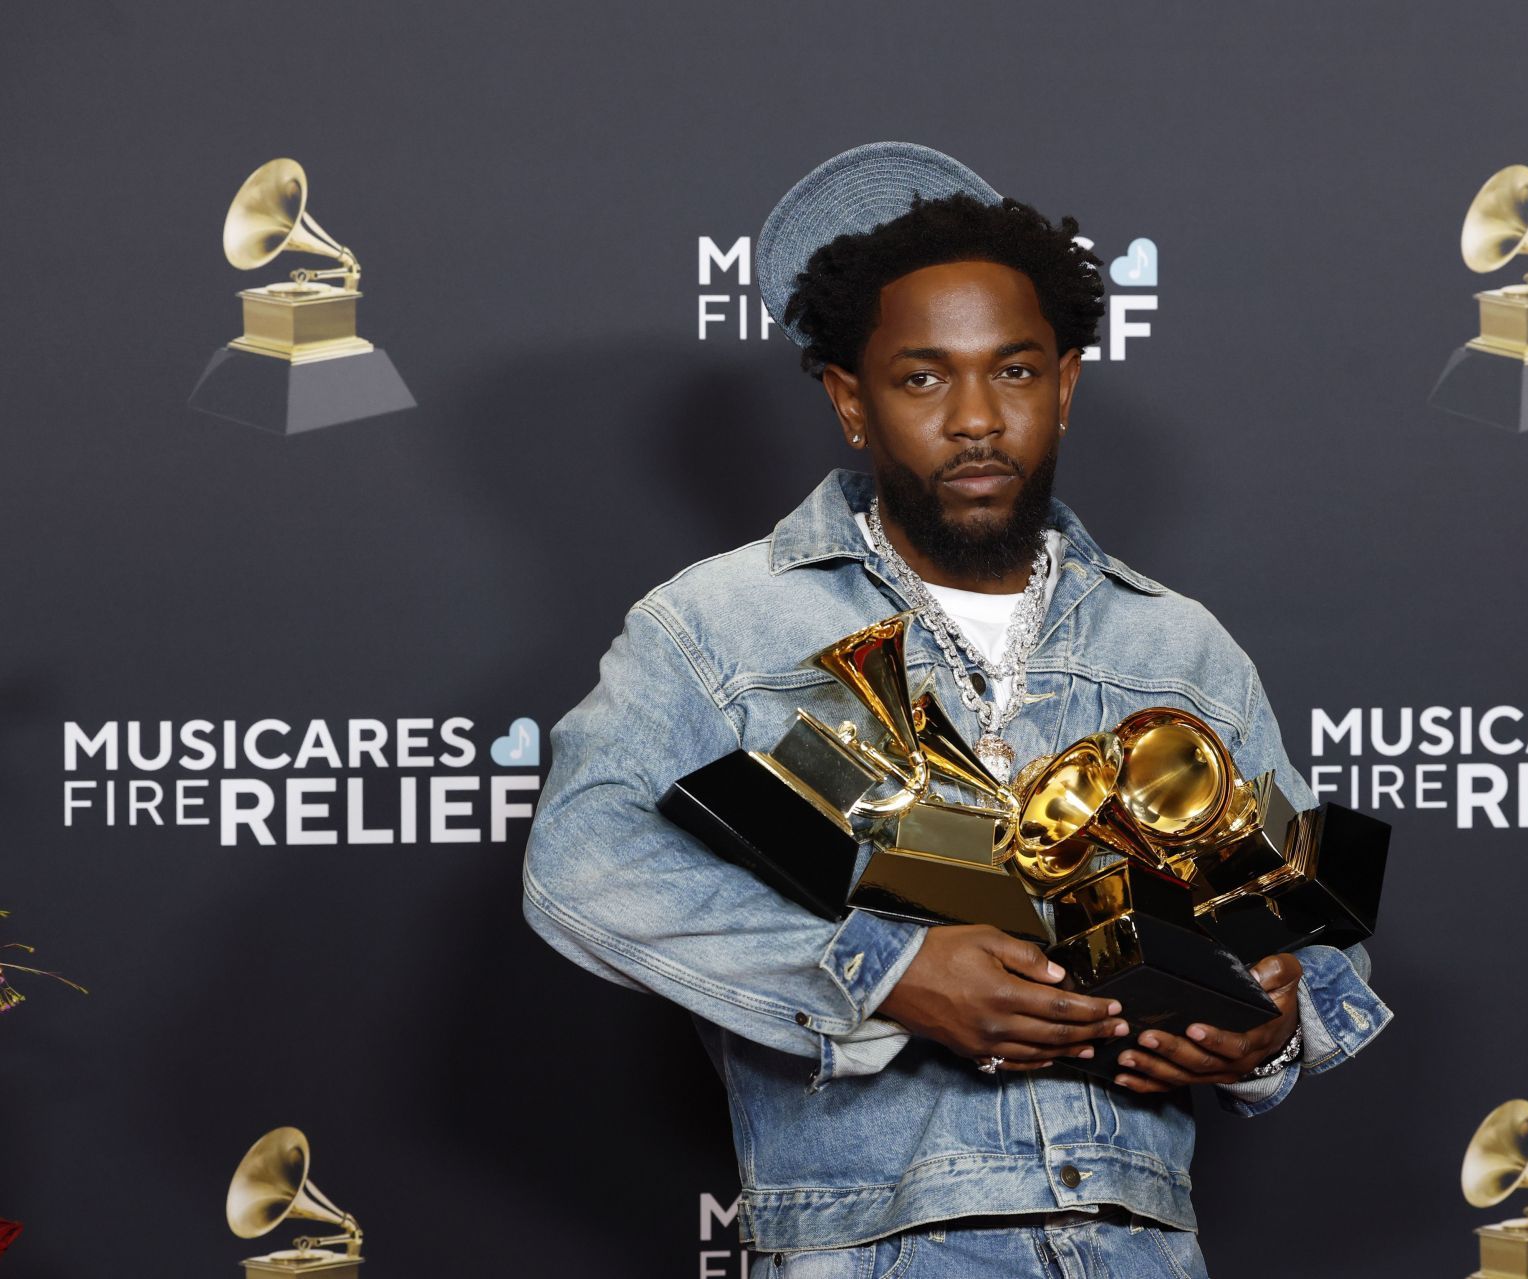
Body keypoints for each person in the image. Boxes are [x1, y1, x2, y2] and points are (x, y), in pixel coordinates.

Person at [521, 141, 1392, 1278]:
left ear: (1067, 384)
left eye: (1015, 372)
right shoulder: (717, 624)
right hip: (874, 1248)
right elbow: (580, 864)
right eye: (923, 377)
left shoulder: (1178, 645)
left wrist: (1263, 1028)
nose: (976, 417)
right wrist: (883, 974)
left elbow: (1315, 956)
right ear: (850, 400)